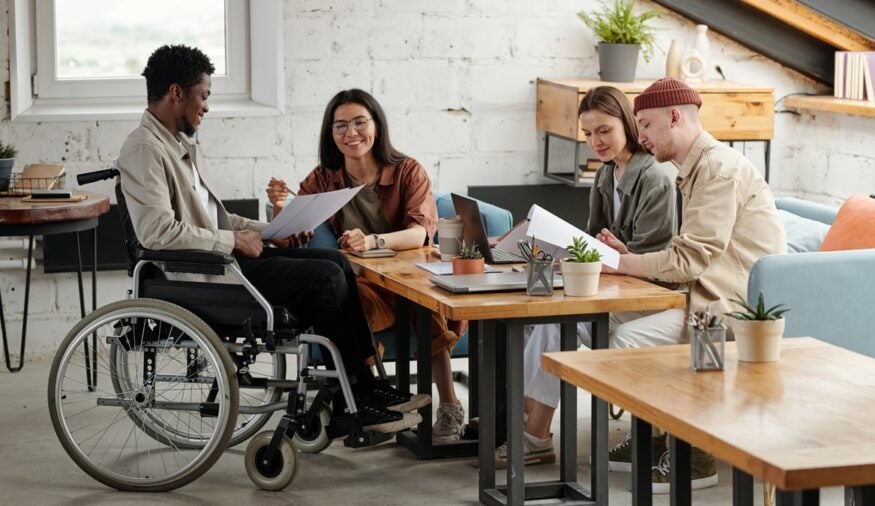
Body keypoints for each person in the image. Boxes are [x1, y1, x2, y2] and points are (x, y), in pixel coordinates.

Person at [116, 44, 424, 438]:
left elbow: (215, 219)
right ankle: (356, 393)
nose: (206, 106)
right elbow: (156, 232)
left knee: (335, 262)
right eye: (204, 95)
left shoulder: (178, 146)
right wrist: (234, 242)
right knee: (325, 278)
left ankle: (361, 386)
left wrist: (270, 231)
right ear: (177, 93)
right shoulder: (144, 149)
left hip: (222, 261)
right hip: (199, 276)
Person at [603, 77, 787, 493]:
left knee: (628, 340)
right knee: (611, 317)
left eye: (646, 125)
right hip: (702, 296)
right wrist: (626, 255)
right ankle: (652, 438)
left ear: (674, 117)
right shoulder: (695, 169)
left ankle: (695, 453)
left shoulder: (719, 170)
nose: (641, 137)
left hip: (730, 309)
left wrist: (621, 262)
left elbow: (691, 258)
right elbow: (692, 254)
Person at [267, 89, 468, 444]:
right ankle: (374, 407)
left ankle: (450, 407)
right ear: (331, 134)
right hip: (365, 280)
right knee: (349, 310)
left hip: (411, 274)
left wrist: (374, 241)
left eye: (360, 122)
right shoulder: (323, 177)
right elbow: (288, 239)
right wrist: (281, 208)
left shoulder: (407, 171)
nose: (351, 133)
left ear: (377, 125)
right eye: (340, 126)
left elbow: (421, 233)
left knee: (426, 310)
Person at [494, 86, 679, 469]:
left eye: (604, 131)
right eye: (588, 134)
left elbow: (655, 266)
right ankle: (531, 426)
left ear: (627, 124)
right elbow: (590, 243)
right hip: (614, 292)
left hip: (650, 301)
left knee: (555, 319)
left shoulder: (656, 178)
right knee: (541, 317)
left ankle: (533, 431)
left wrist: (609, 252)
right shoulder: (605, 175)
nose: (595, 142)